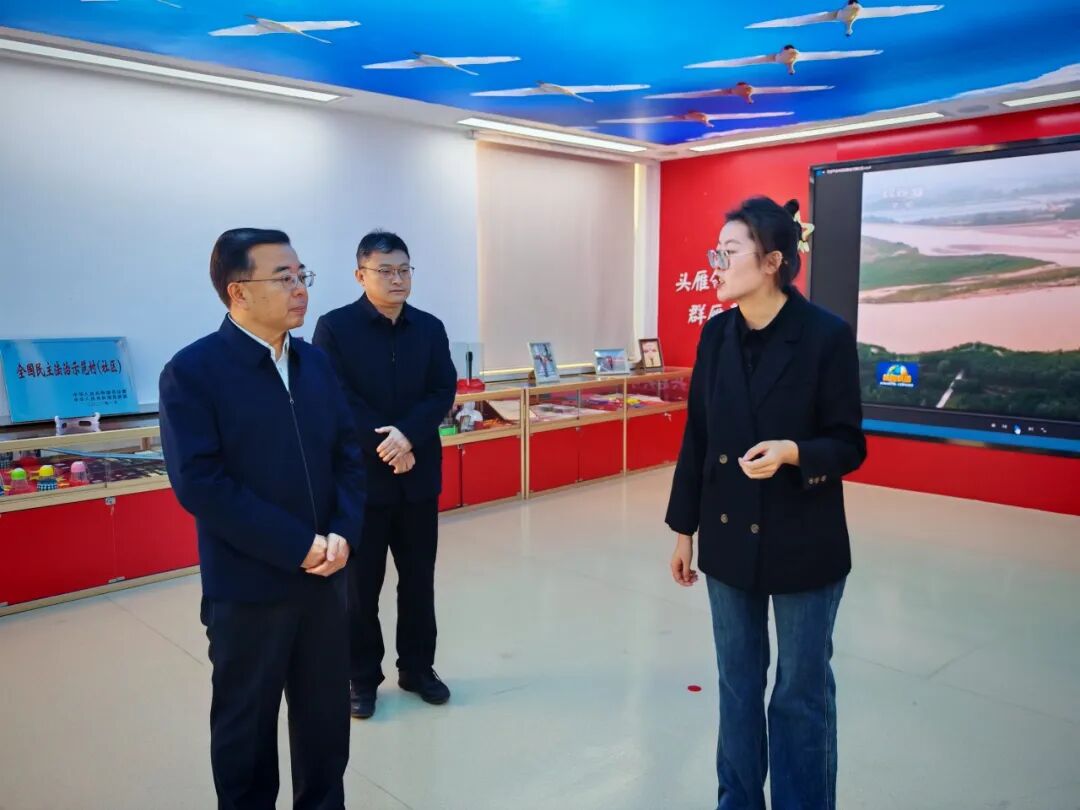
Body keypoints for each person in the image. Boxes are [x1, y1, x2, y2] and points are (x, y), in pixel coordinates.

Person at [665, 197, 867, 810]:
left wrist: (793, 452)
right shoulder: (717, 334)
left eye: (729, 253)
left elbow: (849, 444)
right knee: (737, 685)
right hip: (728, 541)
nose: (716, 264)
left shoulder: (826, 336)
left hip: (803, 540)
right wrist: (684, 530)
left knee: (800, 693)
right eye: (716, 252)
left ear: (773, 261)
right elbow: (698, 437)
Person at [159, 228, 366, 810]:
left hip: (326, 580)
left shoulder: (316, 364)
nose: (300, 288)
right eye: (284, 277)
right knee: (245, 731)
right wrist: (298, 545)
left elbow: (348, 457)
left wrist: (343, 534)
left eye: (302, 275)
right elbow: (201, 484)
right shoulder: (193, 372)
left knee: (324, 723)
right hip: (248, 588)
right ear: (238, 291)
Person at [313, 230, 457, 720]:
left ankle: (418, 668)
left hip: (418, 477)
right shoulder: (335, 328)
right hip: (362, 484)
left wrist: (408, 437)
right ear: (361, 275)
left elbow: (441, 390)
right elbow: (336, 397)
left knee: (418, 582)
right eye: (385, 271)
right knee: (360, 588)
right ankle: (361, 677)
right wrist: (389, 445)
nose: (397, 279)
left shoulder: (429, 328)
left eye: (404, 270)